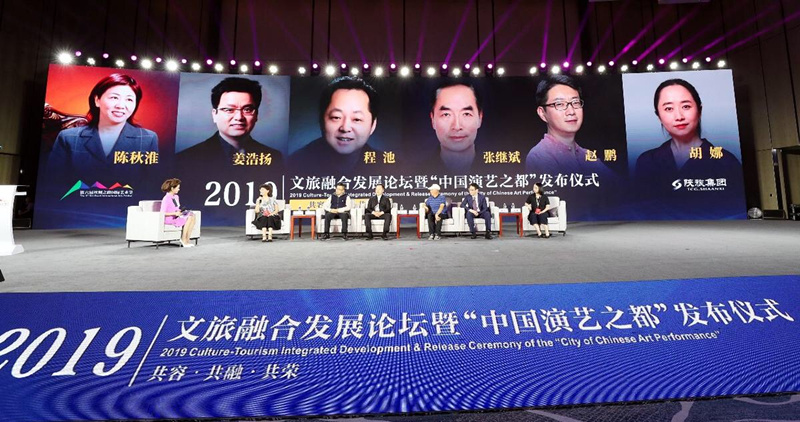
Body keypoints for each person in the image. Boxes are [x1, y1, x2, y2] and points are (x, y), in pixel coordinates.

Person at [634, 78, 744, 219]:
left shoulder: (725, 161)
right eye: (668, 109)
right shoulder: (647, 161)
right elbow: (641, 210)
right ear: (659, 116)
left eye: (686, 106)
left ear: (699, 110)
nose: (679, 116)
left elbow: (735, 211)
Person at [49, 74, 158, 175]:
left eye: (129, 99)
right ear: (97, 100)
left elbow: (151, 182)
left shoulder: (148, 139)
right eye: (114, 97)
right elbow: (53, 181)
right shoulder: (68, 138)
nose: (121, 106)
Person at [179, 77, 283, 168]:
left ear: (256, 115)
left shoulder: (273, 157)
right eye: (229, 110)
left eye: (247, 109)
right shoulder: (187, 158)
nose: (239, 117)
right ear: (214, 114)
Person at [525, 75, 612, 177]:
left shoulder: (587, 155)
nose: (571, 111)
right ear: (542, 113)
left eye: (575, 102)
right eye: (559, 104)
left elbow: (618, 183)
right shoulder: (539, 156)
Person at [290, 76, 381, 174]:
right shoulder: (295, 164)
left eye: (357, 119)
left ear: (373, 125)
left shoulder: (385, 164)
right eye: (336, 117)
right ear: (321, 120)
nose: (345, 128)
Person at [428, 81, 485, 173]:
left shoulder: (499, 170)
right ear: (433, 120)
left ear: (480, 118)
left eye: (466, 114)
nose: (457, 126)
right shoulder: (415, 172)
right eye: (446, 114)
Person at [160, 178, 197, 248]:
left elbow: (176, 208)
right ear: (172, 188)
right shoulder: (166, 198)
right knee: (189, 217)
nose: (179, 189)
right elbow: (162, 213)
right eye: (177, 188)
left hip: (177, 216)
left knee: (192, 215)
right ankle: (183, 240)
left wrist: (180, 212)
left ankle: (187, 240)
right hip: (170, 219)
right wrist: (174, 213)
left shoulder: (176, 197)